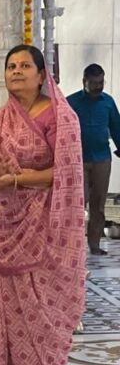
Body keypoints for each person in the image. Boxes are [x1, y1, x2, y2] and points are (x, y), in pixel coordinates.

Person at [0, 44, 85, 365]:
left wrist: (18, 180)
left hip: (44, 225)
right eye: (11, 66)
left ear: (42, 75)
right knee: (7, 309)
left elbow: (65, 171)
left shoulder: (60, 117)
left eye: (25, 66)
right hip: (5, 223)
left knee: (39, 308)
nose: (17, 71)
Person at [67, 63, 120, 256]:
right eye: (94, 83)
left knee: (98, 204)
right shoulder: (70, 103)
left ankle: (95, 244)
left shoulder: (108, 102)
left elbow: (116, 127)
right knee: (77, 203)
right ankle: (73, 245)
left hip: (102, 159)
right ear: (84, 81)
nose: (99, 86)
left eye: (101, 82)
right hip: (77, 160)